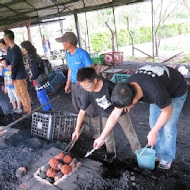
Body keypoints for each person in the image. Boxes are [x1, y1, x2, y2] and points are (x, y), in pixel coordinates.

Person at [94, 65, 188, 170]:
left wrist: (154, 132)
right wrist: (101, 137)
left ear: (134, 100)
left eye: (125, 107)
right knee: (154, 123)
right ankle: (159, 151)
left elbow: (166, 111)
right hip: (160, 84)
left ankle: (166, 157)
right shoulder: (125, 88)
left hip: (176, 89)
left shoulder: (156, 93)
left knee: (168, 127)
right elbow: (114, 115)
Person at [72, 68, 141, 162]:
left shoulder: (108, 85)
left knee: (130, 133)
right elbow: (82, 112)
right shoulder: (87, 93)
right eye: (82, 87)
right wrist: (76, 130)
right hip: (105, 114)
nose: (85, 89)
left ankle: (138, 154)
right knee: (107, 136)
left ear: (95, 80)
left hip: (120, 112)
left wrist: (128, 104)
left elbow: (123, 93)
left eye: (87, 86)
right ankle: (111, 154)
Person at [55, 32, 100, 139]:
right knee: (78, 107)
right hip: (75, 85)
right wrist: (68, 83)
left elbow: (91, 68)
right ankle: (84, 129)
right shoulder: (68, 54)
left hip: (84, 85)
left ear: (68, 43)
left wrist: (90, 85)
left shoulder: (82, 54)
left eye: (63, 42)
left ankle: (97, 132)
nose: (62, 44)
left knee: (89, 108)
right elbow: (70, 69)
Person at [3, 30, 31, 114]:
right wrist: (8, 65)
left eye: (4, 38)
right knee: (18, 93)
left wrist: (11, 76)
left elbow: (14, 65)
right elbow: (7, 60)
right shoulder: (9, 49)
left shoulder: (16, 49)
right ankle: (25, 108)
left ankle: (28, 109)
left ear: (8, 39)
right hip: (14, 75)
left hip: (19, 74)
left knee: (23, 92)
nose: (4, 40)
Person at [20, 41, 52, 112]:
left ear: (26, 49)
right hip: (42, 76)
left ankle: (47, 111)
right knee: (44, 94)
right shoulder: (34, 55)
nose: (22, 50)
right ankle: (49, 109)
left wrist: (32, 78)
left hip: (39, 79)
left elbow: (35, 72)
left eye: (23, 48)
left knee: (40, 95)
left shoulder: (32, 58)